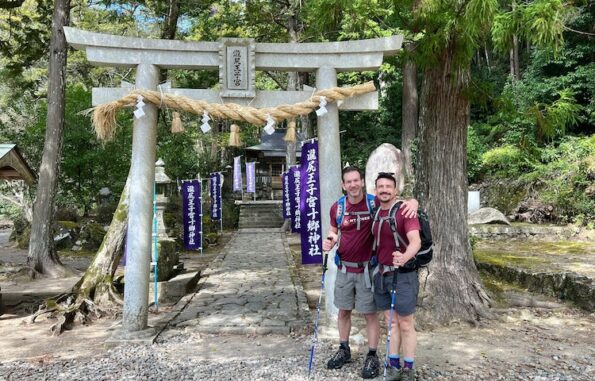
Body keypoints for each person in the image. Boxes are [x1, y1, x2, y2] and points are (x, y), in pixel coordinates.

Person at [322, 166, 417, 379]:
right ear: (343, 185)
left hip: (367, 269)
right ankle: (344, 348)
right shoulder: (338, 207)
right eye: (349, 182)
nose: (353, 185)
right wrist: (330, 240)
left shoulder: (374, 202)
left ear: (362, 182)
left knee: (369, 313)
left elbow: (395, 202)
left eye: (357, 180)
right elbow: (334, 230)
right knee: (343, 311)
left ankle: (372, 354)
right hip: (344, 268)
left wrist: (414, 202)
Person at [371, 172, 421, 381]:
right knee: (391, 322)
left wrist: (404, 257)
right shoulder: (376, 209)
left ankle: (408, 368)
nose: (384, 190)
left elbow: (415, 241)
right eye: (380, 186)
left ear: (395, 190)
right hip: (382, 273)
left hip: (403, 275)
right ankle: (393, 364)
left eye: (388, 186)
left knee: (406, 323)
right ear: (375, 190)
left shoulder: (405, 211)